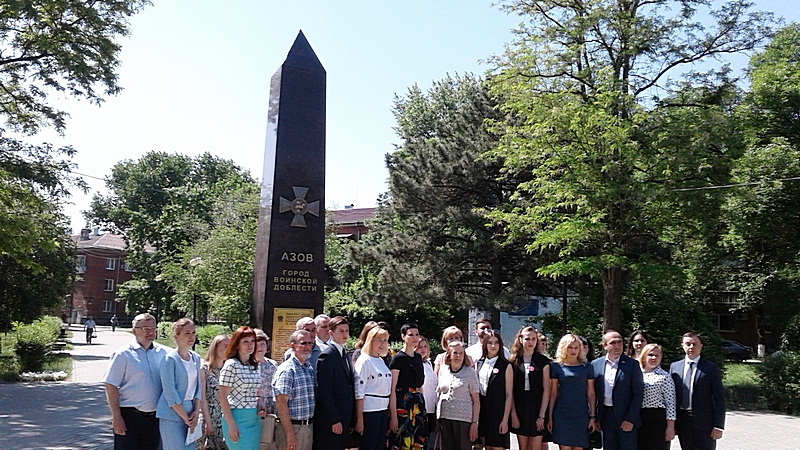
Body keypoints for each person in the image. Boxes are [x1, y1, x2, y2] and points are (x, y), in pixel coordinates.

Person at [102, 313, 168, 450]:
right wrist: (116, 417)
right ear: (134, 330)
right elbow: (111, 385)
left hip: (155, 418)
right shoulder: (123, 354)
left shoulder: (162, 353)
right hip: (129, 417)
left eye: (153, 328)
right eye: (145, 328)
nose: (150, 332)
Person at [669, 332, 725, 450]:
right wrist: (671, 424)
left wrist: (719, 426)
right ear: (682, 346)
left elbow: (719, 398)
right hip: (683, 421)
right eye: (688, 344)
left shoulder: (710, 368)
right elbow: (671, 397)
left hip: (705, 423)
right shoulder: (675, 367)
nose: (691, 347)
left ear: (701, 346)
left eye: (694, 344)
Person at [591, 330, 643, 450]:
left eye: (620, 342)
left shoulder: (632, 364)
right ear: (605, 345)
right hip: (605, 416)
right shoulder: (595, 364)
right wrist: (595, 418)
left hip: (625, 416)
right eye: (613, 343)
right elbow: (593, 393)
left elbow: (638, 394)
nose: (617, 346)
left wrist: (630, 419)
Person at [157, 318, 203, 450]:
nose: (191, 336)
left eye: (193, 333)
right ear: (176, 335)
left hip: (191, 411)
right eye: (187, 333)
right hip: (172, 413)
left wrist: (196, 411)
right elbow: (170, 392)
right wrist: (185, 417)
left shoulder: (196, 358)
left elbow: (198, 387)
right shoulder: (169, 359)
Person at [548, 334, 597, 450]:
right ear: (564, 348)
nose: (573, 351)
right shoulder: (556, 366)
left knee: (578, 447)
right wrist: (550, 416)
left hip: (581, 413)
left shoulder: (587, 367)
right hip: (562, 413)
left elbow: (591, 393)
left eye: (576, 347)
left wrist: (592, 416)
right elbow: (553, 392)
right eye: (570, 347)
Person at [313, 316, 355, 450]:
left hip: (345, 417)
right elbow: (324, 391)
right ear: (331, 333)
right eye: (341, 331)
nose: (345, 334)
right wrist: (334, 419)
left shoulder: (346, 354)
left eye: (347, 331)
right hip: (331, 421)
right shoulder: (327, 355)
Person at [219, 326, 263, 449]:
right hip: (237, 418)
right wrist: (231, 424)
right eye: (245, 342)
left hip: (254, 419)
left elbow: (255, 390)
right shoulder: (231, 365)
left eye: (252, 341)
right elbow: (222, 396)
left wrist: (260, 401)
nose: (250, 345)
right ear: (237, 344)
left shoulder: (255, 365)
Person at [273, 329, 316, 450]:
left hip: (307, 427)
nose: (307, 347)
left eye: (310, 343)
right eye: (303, 343)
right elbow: (281, 404)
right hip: (292, 428)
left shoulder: (308, 368)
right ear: (293, 345)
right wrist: (290, 434)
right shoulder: (287, 370)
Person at [388, 322, 428, 450]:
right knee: (403, 440)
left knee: (418, 440)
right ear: (403, 336)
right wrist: (393, 415)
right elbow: (392, 388)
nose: (415, 337)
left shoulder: (418, 357)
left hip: (417, 404)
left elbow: (420, 385)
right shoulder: (398, 358)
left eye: (417, 334)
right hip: (403, 405)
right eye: (411, 335)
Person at [509, 326, 550, 450]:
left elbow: (546, 389)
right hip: (520, 408)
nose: (530, 342)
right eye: (527, 339)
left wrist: (541, 416)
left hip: (537, 408)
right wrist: (513, 414)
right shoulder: (514, 361)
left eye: (533, 339)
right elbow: (510, 391)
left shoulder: (543, 361)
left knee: (535, 447)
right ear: (520, 339)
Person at [353, 326, 393, 450]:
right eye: (379, 340)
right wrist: (359, 419)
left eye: (385, 340)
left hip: (383, 409)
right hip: (370, 411)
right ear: (370, 341)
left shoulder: (381, 360)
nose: (382, 344)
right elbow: (359, 391)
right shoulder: (364, 360)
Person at [436, 341, 480, 450]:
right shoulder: (443, 370)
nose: (458, 356)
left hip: (463, 421)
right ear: (449, 355)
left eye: (461, 353)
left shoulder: (470, 372)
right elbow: (439, 393)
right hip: (444, 418)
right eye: (455, 353)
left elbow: (476, 400)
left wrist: (475, 423)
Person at [476, 330, 513, 450]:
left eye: (496, 342)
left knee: (497, 446)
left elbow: (509, 394)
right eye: (490, 342)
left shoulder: (506, 365)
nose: (493, 346)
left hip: (498, 412)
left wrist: (505, 420)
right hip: (482, 411)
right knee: (483, 445)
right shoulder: (479, 363)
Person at [638, 343, 676, 450]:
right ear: (644, 356)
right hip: (639, 418)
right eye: (650, 355)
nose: (654, 358)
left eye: (657, 355)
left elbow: (671, 403)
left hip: (657, 419)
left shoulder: (665, 376)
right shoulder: (637, 374)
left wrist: (670, 427)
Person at [198, 334, 230, 450]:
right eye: (225, 346)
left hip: (226, 418)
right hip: (210, 417)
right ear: (215, 347)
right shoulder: (204, 369)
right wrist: (208, 422)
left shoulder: (229, 369)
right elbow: (202, 397)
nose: (228, 349)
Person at [254, 329, 278, 450]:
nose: (260, 347)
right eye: (257, 344)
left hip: (272, 409)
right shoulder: (247, 365)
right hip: (255, 410)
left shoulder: (273, 364)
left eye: (263, 344)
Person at [417, 336, 438, 445]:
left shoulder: (428, 364)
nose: (423, 349)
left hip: (430, 407)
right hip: (420, 407)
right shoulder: (414, 364)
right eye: (420, 347)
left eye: (425, 346)